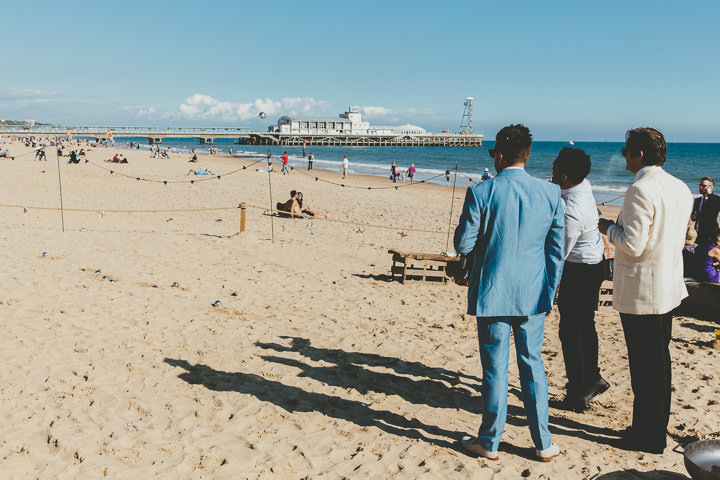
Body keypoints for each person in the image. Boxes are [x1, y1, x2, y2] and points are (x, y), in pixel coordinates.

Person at [454, 124, 564, 462]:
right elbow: (555, 253)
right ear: (527, 156)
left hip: (492, 291)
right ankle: (543, 442)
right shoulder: (551, 194)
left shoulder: (482, 192)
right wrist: (551, 293)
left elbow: (463, 243)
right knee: (532, 365)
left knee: (494, 370)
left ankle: (489, 441)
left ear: (500, 156)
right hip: (533, 293)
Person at [598, 127, 693, 454]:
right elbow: (680, 236)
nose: (624, 155)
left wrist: (608, 228)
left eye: (627, 150)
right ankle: (651, 429)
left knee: (645, 369)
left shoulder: (641, 188)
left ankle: (648, 436)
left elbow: (634, 245)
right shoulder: (679, 186)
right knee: (658, 365)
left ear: (639, 154)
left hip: (643, 292)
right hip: (668, 286)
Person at [551, 147, 608, 413]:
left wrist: (550, 291)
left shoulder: (572, 211)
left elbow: (558, 254)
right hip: (595, 263)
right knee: (586, 325)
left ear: (563, 176)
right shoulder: (583, 184)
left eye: (554, 168)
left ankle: (577, 392)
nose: (550, 171)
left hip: (581, 269)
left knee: (570, 332)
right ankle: (592, 377)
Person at [691, 177, 720, 242]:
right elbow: (693, 218)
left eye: (703, 186)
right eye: (700, 185)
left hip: (711, 233)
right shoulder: (697, 200)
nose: (700, 187)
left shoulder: (716, 199)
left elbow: (715, 207)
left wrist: (710, 195)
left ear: (711, 187)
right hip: (699, 233)